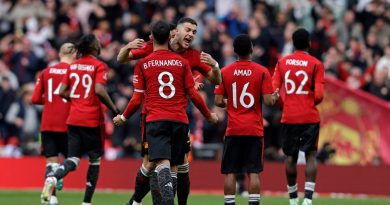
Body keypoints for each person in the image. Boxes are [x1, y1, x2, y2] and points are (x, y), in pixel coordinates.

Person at [117, 17, 221, 205]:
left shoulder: (194, 56)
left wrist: (215, 66)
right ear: (175, 32)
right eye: (188, 30)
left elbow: (216, 80)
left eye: (194, 32)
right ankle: (136, 201)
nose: (191, 34)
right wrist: (128, 46)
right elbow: (122, 58)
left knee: (180, 164)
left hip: (177, 114)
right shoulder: (153, 47)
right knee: (152, 163)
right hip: (153, 113)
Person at [40, 34, 120, 205]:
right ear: (93, 47)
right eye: (98, 43)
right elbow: (99, 90)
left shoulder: (73, 66)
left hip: (73, 119)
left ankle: (53, 178)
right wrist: (114, 109)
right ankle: (86, 202)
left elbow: (61, 91)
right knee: (94, 160)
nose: (100, 45)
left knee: (73, 159)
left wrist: (76, 100)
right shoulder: (100, 65)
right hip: (92, 119)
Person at [214, 34, 277, 205]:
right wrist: (275, 96)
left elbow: (218, 101)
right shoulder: (262, 71)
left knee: (230, 172)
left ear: (234, 51)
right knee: (253, 172)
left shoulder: (224, 72)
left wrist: (233, 103)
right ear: (251, 50)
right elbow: (268, 101)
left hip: (233, 129)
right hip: (254, 129)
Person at [272, 28, 325, 205]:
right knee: (310, 155)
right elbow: (319, 95)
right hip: (310, 116)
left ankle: (293, 199)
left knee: (290, 157)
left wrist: (286, 105)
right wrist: (308, 103)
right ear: (309, 43)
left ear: (293, 43)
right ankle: (308, 200)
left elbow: (274, 92)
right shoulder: (316, 64)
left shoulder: (282, 63)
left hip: (289, 116)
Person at [32, 42, 77, 205]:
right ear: (74, 54)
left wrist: (51, 101)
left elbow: (35, 99)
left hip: (47, 124)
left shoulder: (45, 72)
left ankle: (51, 198)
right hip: (68, 123)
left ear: (59, 54)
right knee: (73, 159)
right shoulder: (74, 72)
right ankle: (57, 176)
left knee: (51, 162)